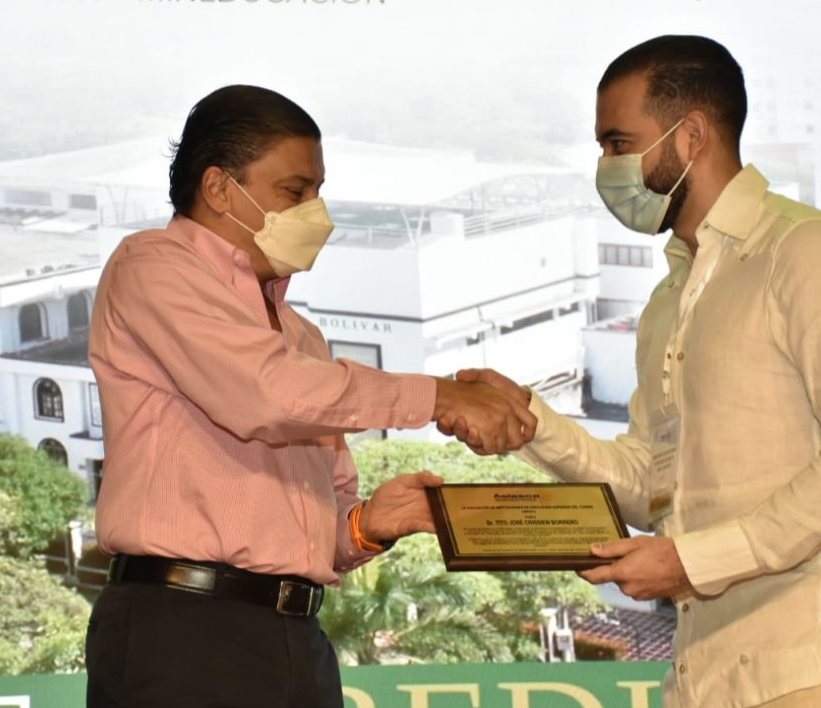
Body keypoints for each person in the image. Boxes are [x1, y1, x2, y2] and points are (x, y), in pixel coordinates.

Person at [446, 36, 821, 708]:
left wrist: (693, 562)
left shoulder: (808, 253)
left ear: (691, 134)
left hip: (817, 667)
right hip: (708, 672)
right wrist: (528, 420)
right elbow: (651, 485)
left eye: (617, 143)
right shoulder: (671, 297)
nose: (606, 167)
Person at [86, 84, 536, 708]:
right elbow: (265, 395)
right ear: (219, 189)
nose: (316, 212)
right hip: (183, 629)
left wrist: (370, 524)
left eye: (319, 192)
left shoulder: (301, 338)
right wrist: (438, 397)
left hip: (295, 637)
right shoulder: (153, 267)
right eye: (295, 192)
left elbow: (321, 524)